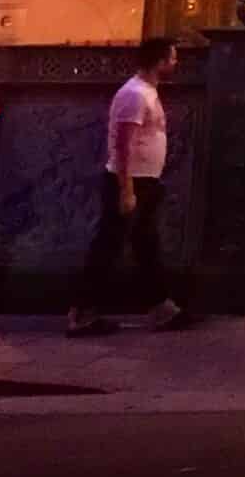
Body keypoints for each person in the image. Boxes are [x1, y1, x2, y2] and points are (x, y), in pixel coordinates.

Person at [68, 39, 187, 335]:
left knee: (145, 245)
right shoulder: (134, 95)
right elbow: (123, 145)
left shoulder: (147, 92)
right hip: (131, 182)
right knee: (109, 246)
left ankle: (160, 307)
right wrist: (126, 189)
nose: (176, 63)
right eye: (172, 58)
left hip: (144, 181)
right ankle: (82, 313)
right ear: (159, 61)